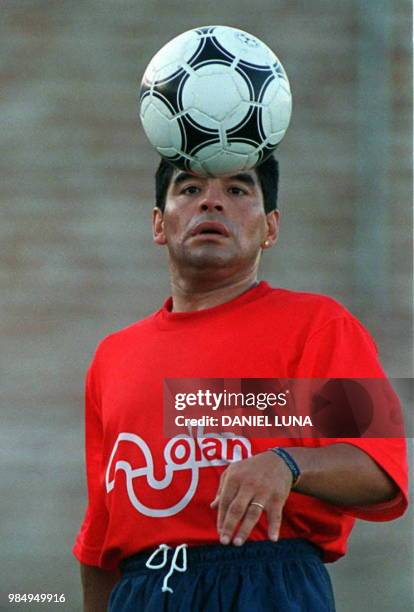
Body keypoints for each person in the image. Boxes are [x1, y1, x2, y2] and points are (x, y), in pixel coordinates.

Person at [73, 156, 408, 611]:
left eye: (237, 190)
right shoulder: (112, 356)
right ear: (158, 224)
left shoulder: (320, 324)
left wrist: (287, 464)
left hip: (268, 584)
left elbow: (383, 471)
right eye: (190, 189)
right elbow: (100, 539)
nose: (211, 202)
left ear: (270, 228)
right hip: (143, 590)